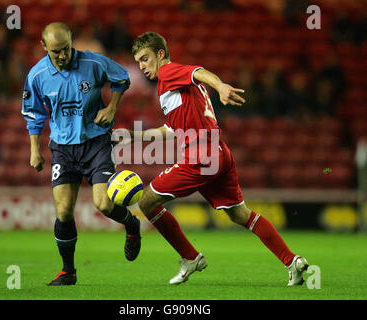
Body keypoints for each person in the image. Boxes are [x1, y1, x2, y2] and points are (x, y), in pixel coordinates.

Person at [126, 32, 308, 286]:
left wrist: (220, 85)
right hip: (219, 153)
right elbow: (171, 129)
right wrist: (134, 137)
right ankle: (292, 261)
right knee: (239, 214)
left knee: (146, 202)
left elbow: (197, 71)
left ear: (160, 54)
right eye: (138, 62)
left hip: (200, 156)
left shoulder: (168, 72)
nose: (142, 66)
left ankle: (190, 257)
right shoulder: (170, 87)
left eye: (145, 59)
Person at [21, 22, 141, 286]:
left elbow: (122, 78)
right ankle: (68, 271)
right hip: (62, 149)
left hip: (96, 142)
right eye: (56, 52)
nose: (63, 56)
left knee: (104, 204)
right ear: (44, 48)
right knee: (63, 211)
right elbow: (33, 113)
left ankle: (132, 225)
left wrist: (111, 108)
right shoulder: (37, 75)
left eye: (66, 49)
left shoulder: (94, 63)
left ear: (71, 41)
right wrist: (34, 149)